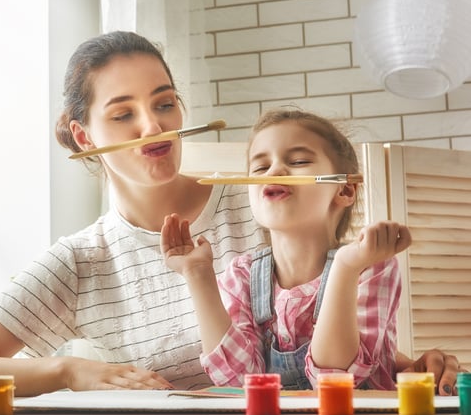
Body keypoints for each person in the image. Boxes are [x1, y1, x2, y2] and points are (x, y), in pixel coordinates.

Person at [0, 31, 465, 396]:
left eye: (164, 103)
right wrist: (67, 371)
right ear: (83, 137)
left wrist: (409, 366)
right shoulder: (81, 262)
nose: (153, 127)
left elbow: (321, 329)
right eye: (123, 114)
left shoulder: (265, 199)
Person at [162, 108, 410, 390]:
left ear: (344, 189)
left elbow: (336, 380)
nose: (274, 171)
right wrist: (198, 275)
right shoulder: (242, 276)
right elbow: (241, 381)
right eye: (259, 167)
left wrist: (345, 268)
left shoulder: (371, 266)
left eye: (299, 160)